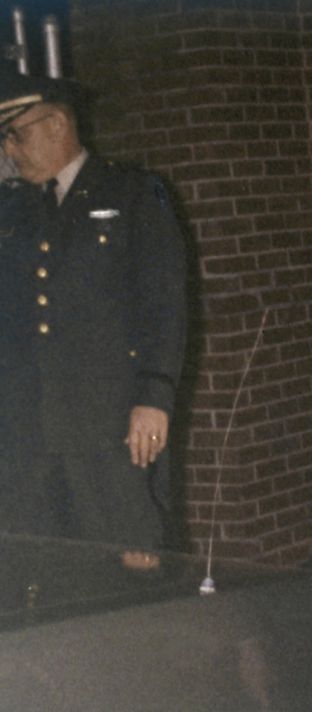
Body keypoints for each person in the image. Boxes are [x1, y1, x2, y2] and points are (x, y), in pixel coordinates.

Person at [0, 72, 186, 556]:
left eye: (15, 134)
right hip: (35, 431)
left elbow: (164, 304)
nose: (10, 151)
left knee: (130, 556)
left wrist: (155, 396)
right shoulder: (17, 210)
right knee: (48, 566)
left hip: (111, 426)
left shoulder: (132, 193)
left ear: (58, 123)